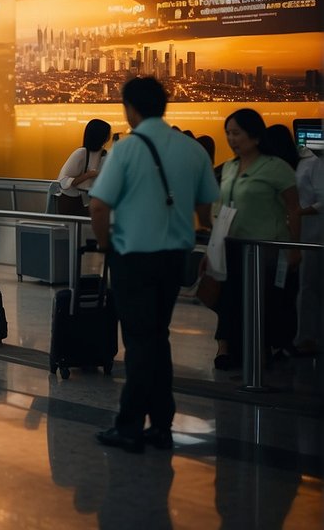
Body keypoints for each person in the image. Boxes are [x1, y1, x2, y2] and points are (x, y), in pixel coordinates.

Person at [89, 77, 219, 453]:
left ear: (130, 108)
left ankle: (129, 425)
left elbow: (99, 205)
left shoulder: (127, 150)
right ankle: (161, 424)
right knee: (157, 337)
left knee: (140, 341)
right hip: (174, 258)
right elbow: (204, 205)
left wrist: (105, 243)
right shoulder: (192, 150)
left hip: (133, 257)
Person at [210, 109, 301, 369]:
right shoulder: (229, 167)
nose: (231, 139)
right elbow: (222, 208)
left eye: (237, 133)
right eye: (228, 133)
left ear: (255, 136)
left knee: (266, 303)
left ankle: (262, 357)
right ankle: (237, 354)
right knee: (232, 300)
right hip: (234, 247)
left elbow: (293, 209)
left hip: (266, 250)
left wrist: (294, 247)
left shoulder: (276, 168)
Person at [290, 125, 322, 357]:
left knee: (308, 287)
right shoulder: (304, 160)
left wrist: (298, 213)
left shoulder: (312, 162)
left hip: (312, 235)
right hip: (300, 234)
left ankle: (306, 337)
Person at [56, 119, 112, 216]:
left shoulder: (103, 153)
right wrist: (89, 175)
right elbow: (64, 181)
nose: (110, 136)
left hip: (87, 199)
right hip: (72, 201)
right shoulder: (81, 153)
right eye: (108, 133)